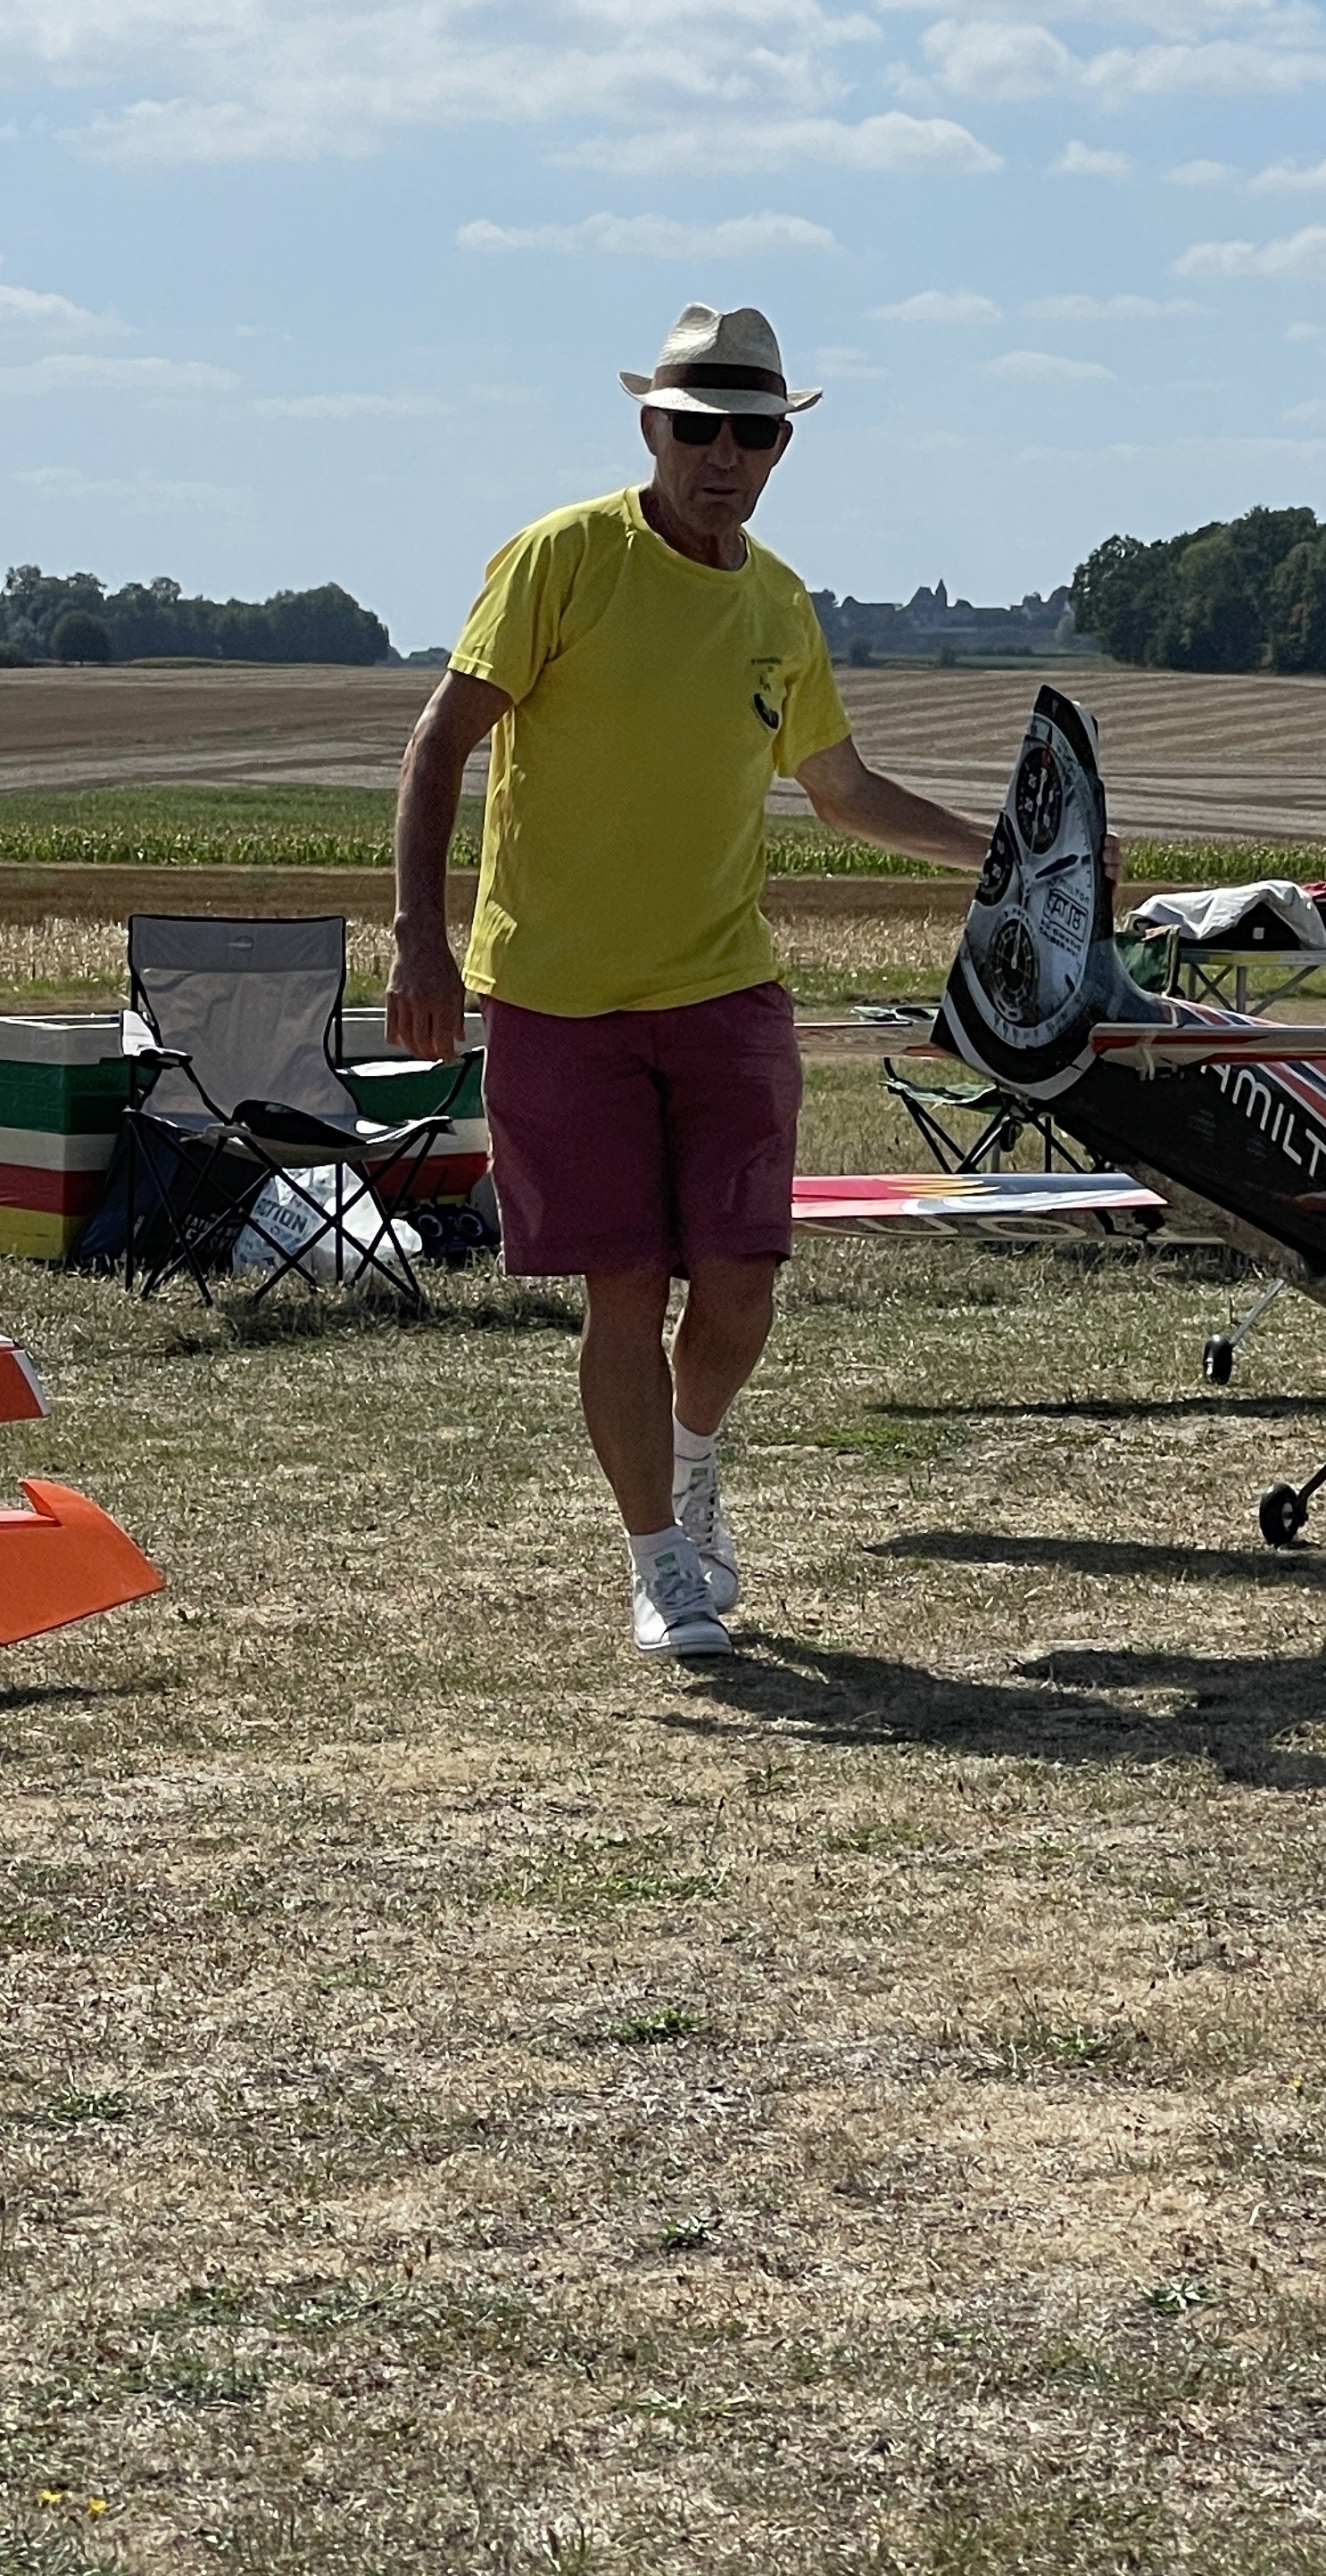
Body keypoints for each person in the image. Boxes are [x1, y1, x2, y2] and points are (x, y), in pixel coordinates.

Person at [385, 301, 1010, 1662]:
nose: (723, 454)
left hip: (727, 993)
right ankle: (660, 1559)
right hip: (558, 995)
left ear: (782, 446)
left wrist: (1002, 851)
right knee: (622, 1288)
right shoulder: (562, 559)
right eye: (696, 428)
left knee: (739, 1287)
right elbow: (439, 744)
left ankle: (689, 1457)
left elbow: (840, 789)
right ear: (651, 430)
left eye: (753, 432)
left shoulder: (780, 603)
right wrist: (418, 937)